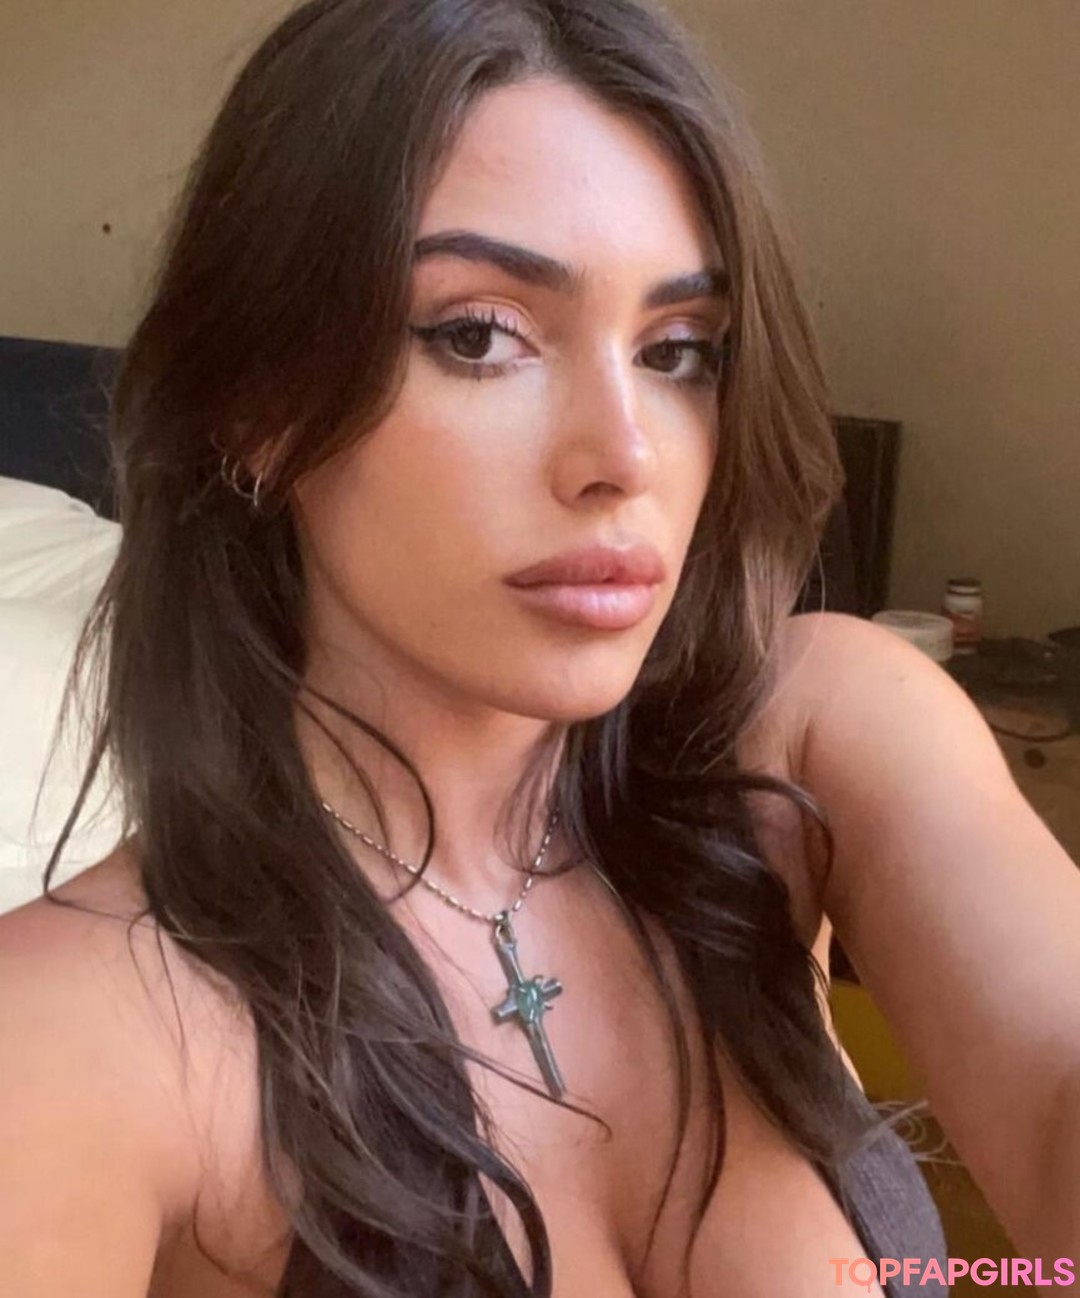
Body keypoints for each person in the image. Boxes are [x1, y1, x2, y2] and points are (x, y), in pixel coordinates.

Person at [1, 1, 1078, 1295]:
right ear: (259, 404)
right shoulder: (81, 1034)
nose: (624, 455)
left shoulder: (801, 752)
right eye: (478, 335)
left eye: (679, 351)